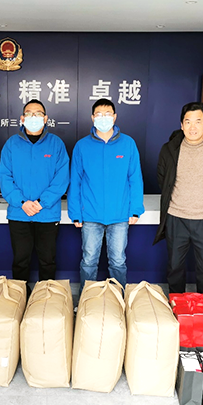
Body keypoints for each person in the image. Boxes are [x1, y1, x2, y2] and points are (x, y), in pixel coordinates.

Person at [154, 102, 203, 294]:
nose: (192, 127)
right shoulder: (169, 148)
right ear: (181, 125)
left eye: (198, 121)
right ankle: (177, 305)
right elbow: (163, 178)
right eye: (188, 122)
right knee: (174, 267)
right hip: (176, 217)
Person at [68, 98, 144, 291]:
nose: (103, 118)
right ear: (92, 117)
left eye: (108, 114)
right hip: (90, 215)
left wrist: (135, 209)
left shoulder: (128, 144)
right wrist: (75, 213)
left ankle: (118, 299)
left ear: (115, 117)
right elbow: (75, 181)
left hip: (119, 215)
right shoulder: (82, 146)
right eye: (99, 114)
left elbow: (135, 179)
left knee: (118, 261)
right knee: (89, 261)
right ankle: (86, 299)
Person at [0, 99, 69, 282]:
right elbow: (5, 177)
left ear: (45, 118)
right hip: (19, 213)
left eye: (38, 114)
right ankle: (20, 296)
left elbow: (61, 179)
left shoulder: (56, 144)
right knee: (20, 262)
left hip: (47, 214)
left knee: (47, 261)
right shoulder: (11, 145)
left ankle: (45, 298)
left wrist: (41, 203)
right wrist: (22, 202)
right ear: (22, 118)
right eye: (29, 114)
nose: (33, 117)